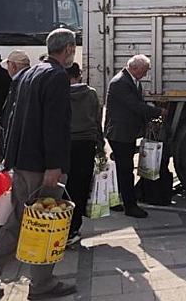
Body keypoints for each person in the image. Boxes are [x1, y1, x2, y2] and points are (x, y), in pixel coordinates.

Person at [0, 29, 78, 300]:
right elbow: (55, 125)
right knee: (45, 220)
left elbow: (10, 115)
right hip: (42, 165)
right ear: (67, 50)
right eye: (72, 49)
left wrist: (10, 155)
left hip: (22, 161)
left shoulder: (29, 74)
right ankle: (42, 284)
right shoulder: (56, 77)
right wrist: (54, 165)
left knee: (19, 219)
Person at [104, 55, 167, 219]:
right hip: (119, 132)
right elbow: (134, 105)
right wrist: (158, 112)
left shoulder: (130, 80)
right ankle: (130, 206)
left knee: (122, 168)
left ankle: (117, 200)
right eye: (144, 71)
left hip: (126, 131)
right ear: (134, 68)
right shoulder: (121, 82)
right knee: (125, 169)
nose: (145, 75)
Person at [65, 63, 104, 245]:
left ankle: (63, 226)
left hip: (67, 143)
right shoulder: (91, 94)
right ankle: (75, 226)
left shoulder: (61, 94)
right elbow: (97, 120)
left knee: (66, 185)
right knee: (81, 185)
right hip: (87, 142)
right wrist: (100, 146)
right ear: (79, 75)